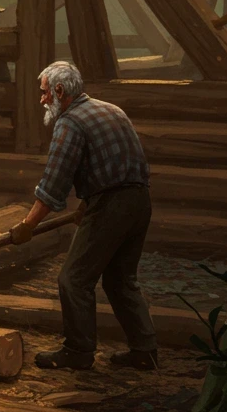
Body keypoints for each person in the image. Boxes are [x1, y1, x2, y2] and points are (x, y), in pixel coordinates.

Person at [9, 61, 158, 371]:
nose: (42, 100)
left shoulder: (70, 122)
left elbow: (55, 182)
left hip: (112, 205)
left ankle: (78, 352)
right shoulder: (112, 110)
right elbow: (120, 165)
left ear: (60, 91)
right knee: (120, 280)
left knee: (74, 280)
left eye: (44, 93)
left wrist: (27, 226)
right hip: (140, 200)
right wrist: (86, 204)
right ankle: (144, 350)